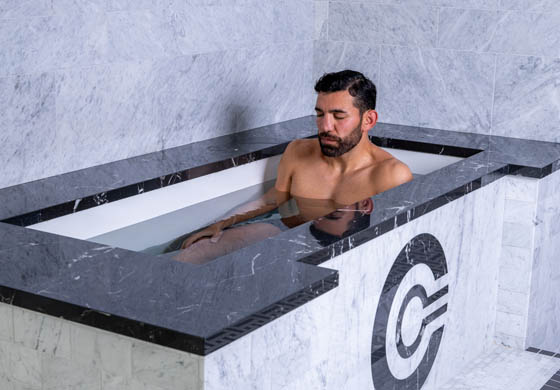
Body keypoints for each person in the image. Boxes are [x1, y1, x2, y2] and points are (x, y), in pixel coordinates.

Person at [172, 70, 412, 263]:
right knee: (195, 252)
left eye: (338, 116)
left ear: (368, 120)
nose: (325, 126)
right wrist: (220, 224)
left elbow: (392, 247)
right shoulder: (298, 151)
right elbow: (274, 202)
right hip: (287, 235)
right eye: (320, 114)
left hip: (348, 257)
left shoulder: (390, 176)